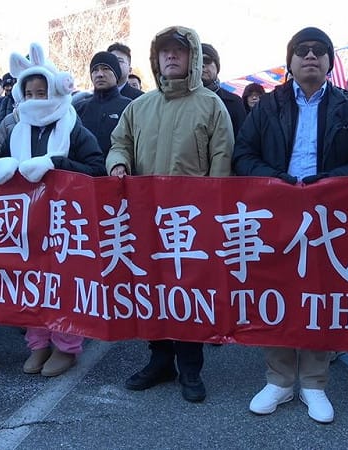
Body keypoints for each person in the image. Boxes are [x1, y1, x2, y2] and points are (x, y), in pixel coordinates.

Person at [232, 26, 348, 423]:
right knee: (276, 295)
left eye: (319, 51)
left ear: (331, 61)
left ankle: (314, 383)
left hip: (328, 217)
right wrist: (274, 180)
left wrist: (332, 181)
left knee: (320, 297)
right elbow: (243, 154)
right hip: (276, 213)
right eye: (303, 50)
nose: (311, 56)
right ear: (291, 61)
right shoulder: (268, 105)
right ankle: (279, 380)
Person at [107, 26, 233, 403]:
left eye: (179, 51)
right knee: (151, 289)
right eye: (165, 52)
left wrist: (213, 214)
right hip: (145, 217)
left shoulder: (212, 105)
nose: (171, 57)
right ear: (156, 59)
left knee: (188, 292)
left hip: (191, 222)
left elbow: (222, 161)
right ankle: (160, 360)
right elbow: (119, 143)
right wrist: (117, 165)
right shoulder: (139, 106)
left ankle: (190, 367)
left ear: (192, 57)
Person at [0, 43, 105, 376]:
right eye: (28, 93)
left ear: (55, 90)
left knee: (63, 287)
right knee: (30, 284)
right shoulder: (15, 131)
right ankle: (38, 343)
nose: (34, 98)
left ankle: (67, 347)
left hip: (65, 224)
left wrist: (58, 164)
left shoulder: (73, 128)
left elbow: (97, 168)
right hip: (27, 223)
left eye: (41, 91)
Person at [74, 51, 131, 157]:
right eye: (95, 70)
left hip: (118, 171)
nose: (100, 74)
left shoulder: (130, 108)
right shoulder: (78, 109)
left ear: (116, 74)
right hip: (83, 171)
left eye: (105, 69)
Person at [201, 43, 246, 137]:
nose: (201, 65)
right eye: (196, 61)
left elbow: (243, 143)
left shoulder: (234, 102)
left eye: (206, 60)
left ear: (217, 66)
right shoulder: (181, 101)